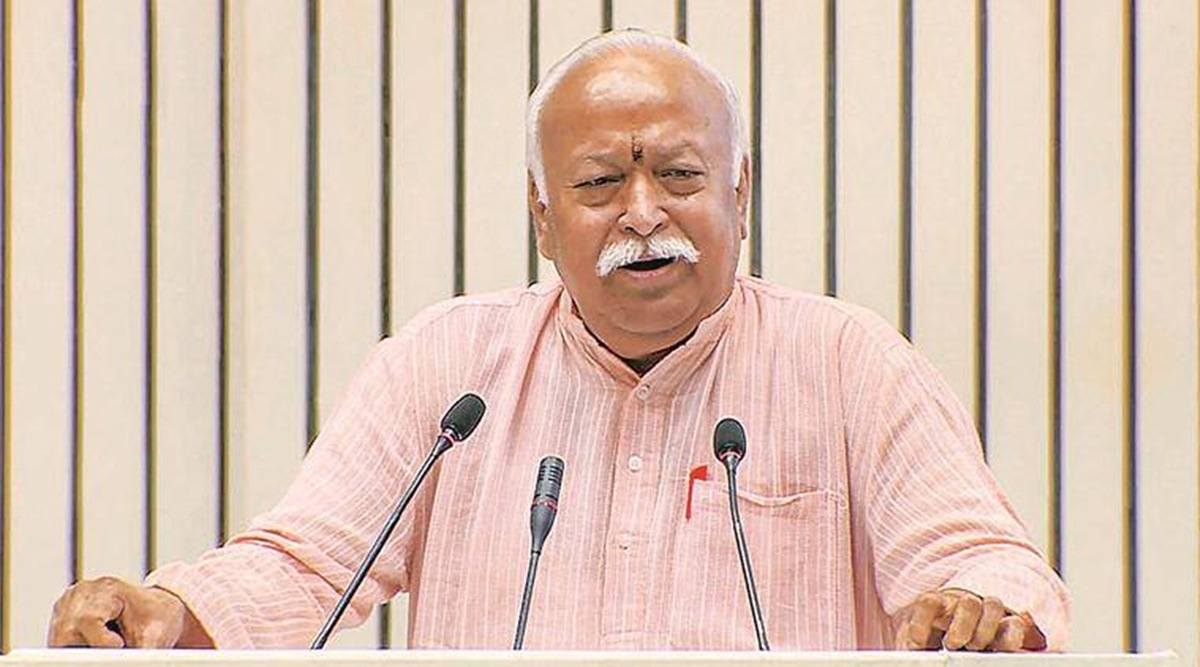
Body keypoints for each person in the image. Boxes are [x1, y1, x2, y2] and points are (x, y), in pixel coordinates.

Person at [47, 29, 1070, 652]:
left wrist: (980, 605)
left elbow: (976, 555)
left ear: (740, 192)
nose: (643, 214)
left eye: (680, 176)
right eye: (599, 184)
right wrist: (167, 610)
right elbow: (310, 565)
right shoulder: (448, 368)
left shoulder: (852, 365)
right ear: (542, 216)